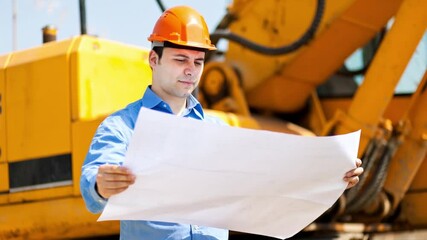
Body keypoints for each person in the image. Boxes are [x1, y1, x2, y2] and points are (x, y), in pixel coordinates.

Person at [80, 5, 364, 240]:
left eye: (198, 62)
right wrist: (102, 184)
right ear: (154, 59)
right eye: (180, 59)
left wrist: (331, 176)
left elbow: (269, 180)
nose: (191, 71)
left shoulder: (216, 131)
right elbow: (91, 191)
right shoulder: (123, 126)